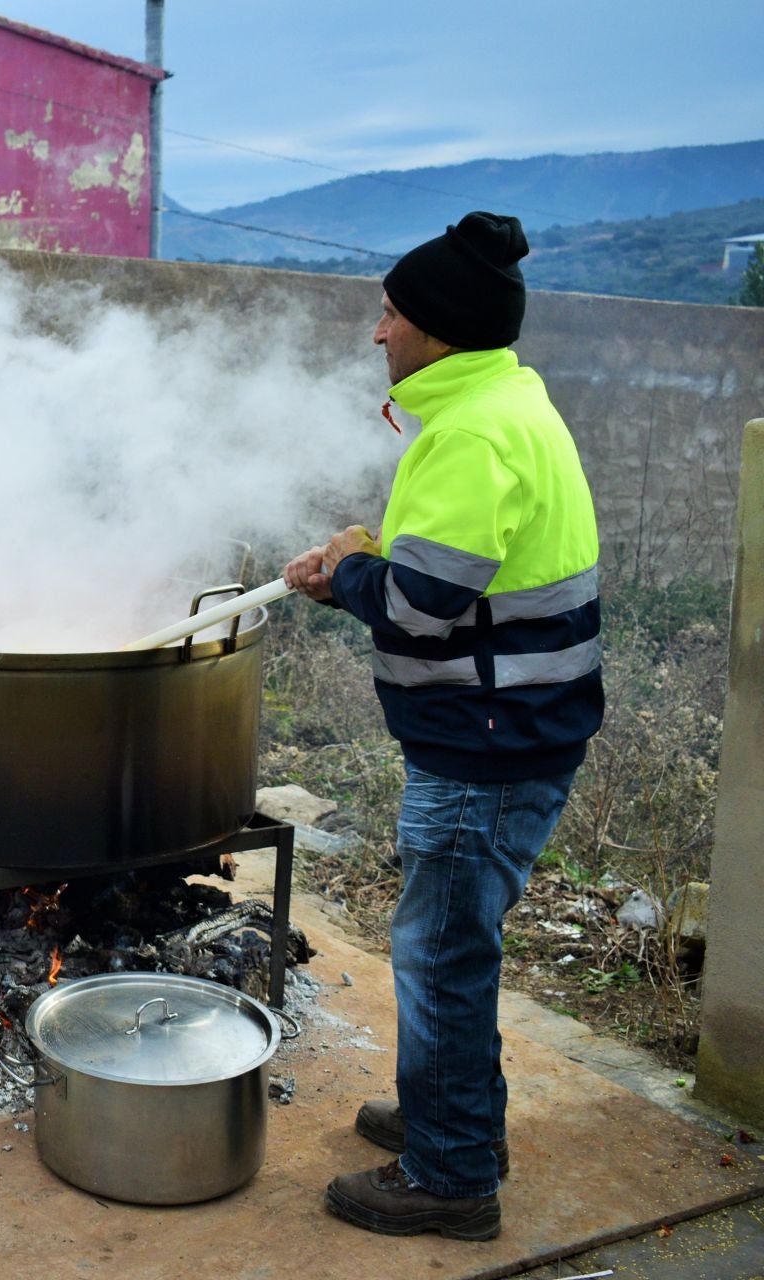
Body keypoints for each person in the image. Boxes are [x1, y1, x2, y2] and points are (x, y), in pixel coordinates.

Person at [282, 212, 603, 1241]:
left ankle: (454, 1173)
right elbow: (459, 570)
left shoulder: (472, 431)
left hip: (491, 741)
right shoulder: (500, 399)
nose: (378, 332)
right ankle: (451, 1115)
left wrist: (354, 576)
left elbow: (423, 604)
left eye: (390, 314)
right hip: (510, 726)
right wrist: (360, 565)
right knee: (447, 942)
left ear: (440, 328)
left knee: (441, 952)